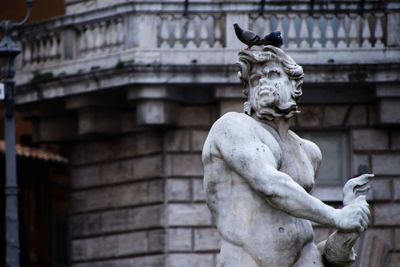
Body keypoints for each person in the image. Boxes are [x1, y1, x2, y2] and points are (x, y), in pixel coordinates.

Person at [202, 45, 372, 267]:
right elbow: (270, 185)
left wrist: (348, 229)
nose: (262, 82)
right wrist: (337, 216)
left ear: (294, 84)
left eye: (272, 74)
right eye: (254, 79)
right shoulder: (232, 127)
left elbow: (325, 252)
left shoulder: (308, 152)